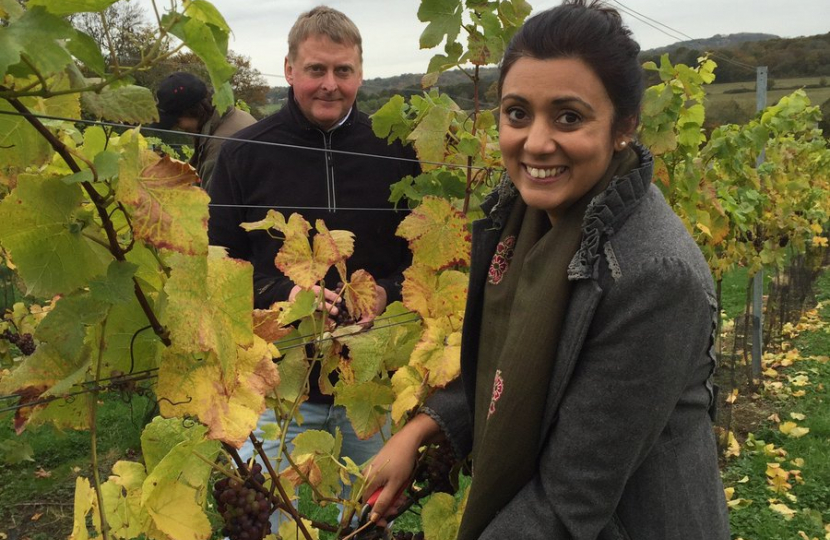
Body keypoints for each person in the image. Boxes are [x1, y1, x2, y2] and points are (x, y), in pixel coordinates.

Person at [363, 1, 731, 539]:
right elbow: (503, 371)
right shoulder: (523, 221)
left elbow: (569, 501)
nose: (535, 142)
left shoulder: (654, 276)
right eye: (517, 113)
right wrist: (421, 429)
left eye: (569, 117)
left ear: (624, 126)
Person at [207, 6, 420, 483]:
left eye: (343, 71)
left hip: (371, 379)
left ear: (360, 74)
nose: (330, 84)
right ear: (289, 70)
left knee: (369, 517)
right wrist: (285, 299)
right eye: (315, 70)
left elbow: (421, 262)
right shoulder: (244, 155)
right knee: (266, 521)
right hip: (274, 384)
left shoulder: (398, 153)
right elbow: (218, 266)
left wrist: (385, 292)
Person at [150, 71, 256, 190]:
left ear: (193, 112)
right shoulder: (230, 116)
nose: (177, 128)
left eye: (177, 122)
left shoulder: (220, 147)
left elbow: (210, 205)